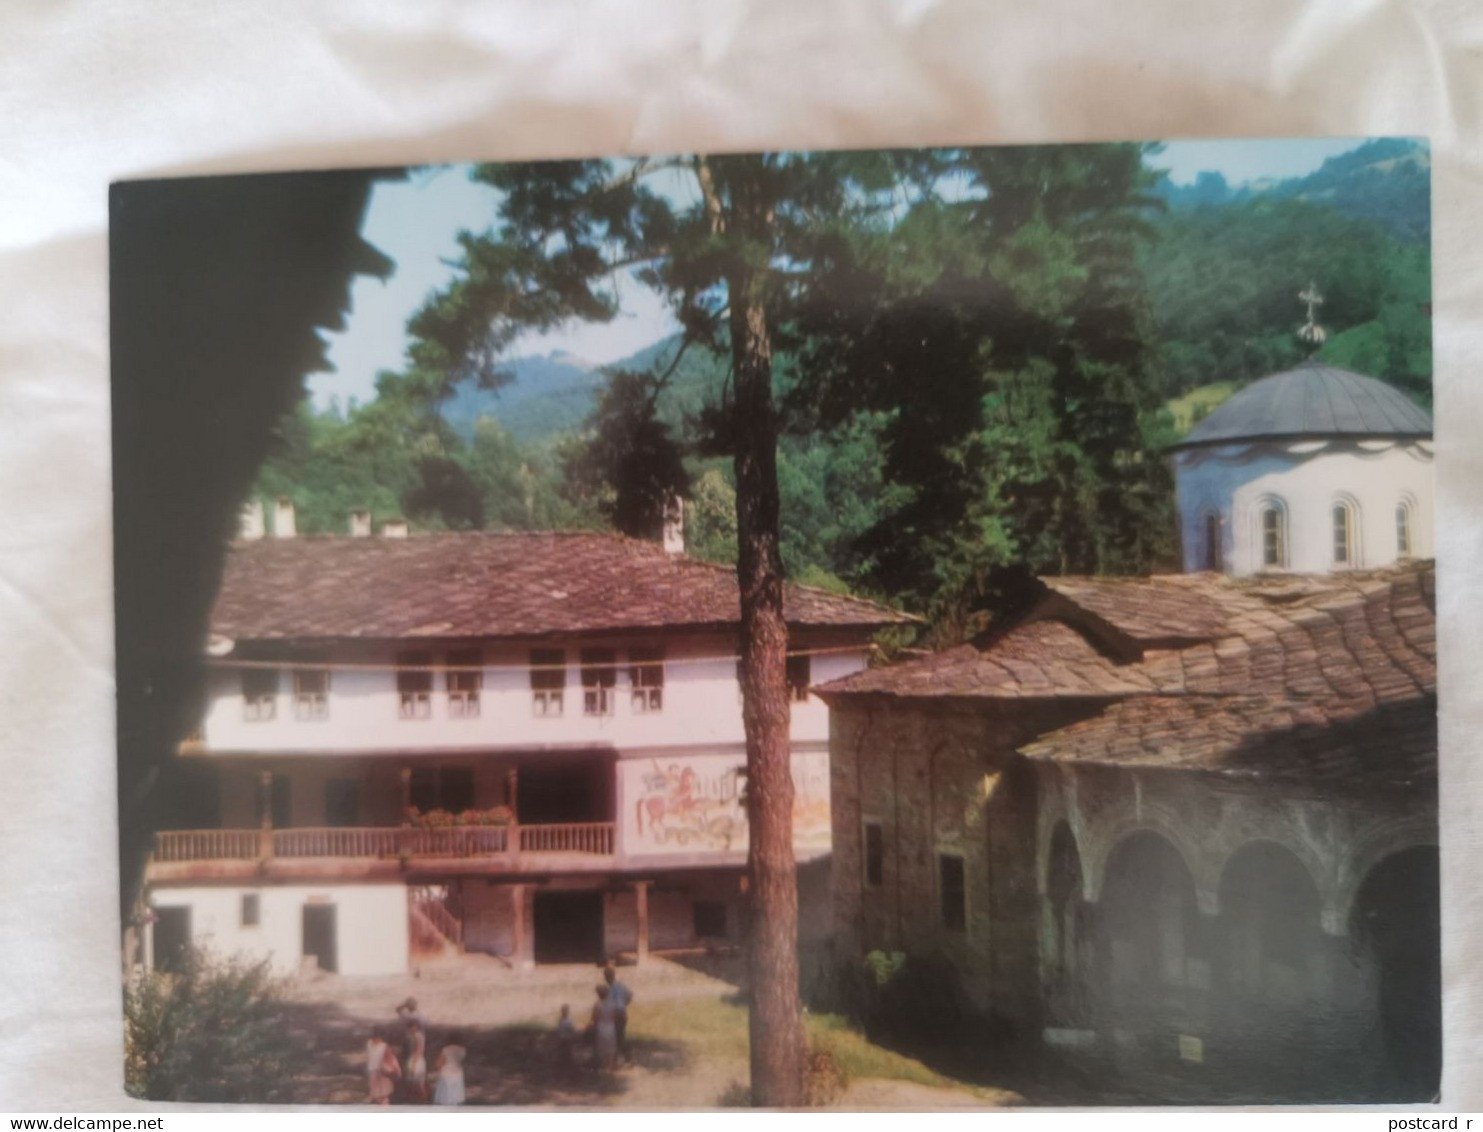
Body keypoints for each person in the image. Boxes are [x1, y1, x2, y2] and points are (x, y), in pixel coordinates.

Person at [603, 965, 634, 1064]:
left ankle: (628, 1057)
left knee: (619, 1038)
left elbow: (609, 1003)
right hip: (621, 1013)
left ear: (607, 977)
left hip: (617, 1014)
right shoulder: (620, 985)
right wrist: (624, 1003)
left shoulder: (609, 989)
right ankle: (616, 1060)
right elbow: (630, 995)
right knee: (617, 1037)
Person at [366, 1027, 401, 1106]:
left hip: (374, 1072)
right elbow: (391, 1059)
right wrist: (396, 1069)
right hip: (381, 1073)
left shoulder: (369, 1044)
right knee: (383, 1096)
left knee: (377, 1094)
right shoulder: (384, 1046)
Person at [431, 1031, 467, 1106]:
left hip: (446, 1074)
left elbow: (438, 1063)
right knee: (456, 1097)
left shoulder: (446, 1049)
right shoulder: (463, 1050)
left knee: (445, 1097)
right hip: (458, 1074)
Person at [590, 984, 620, 1072]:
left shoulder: (597, 1005)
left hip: (601, 1027)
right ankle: (610, 1065)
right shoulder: (613, 1004)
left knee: (600, 1047)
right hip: (611, 1027)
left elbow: (594, 1017)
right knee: (611, 1047)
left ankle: (601, 1066)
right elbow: (615, 1016)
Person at [401, 1019, 428, 1103]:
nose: (409, 1030)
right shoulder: (419, 1035)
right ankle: (419, 1100)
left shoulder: (417, 1036)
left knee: (417, 1082)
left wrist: (413, 1065)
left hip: (415, 1060)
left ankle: (422, 1100)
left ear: (414, 1027)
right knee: (418, 1082)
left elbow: (418, 1050)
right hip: (417, 1059)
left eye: (410, 1028)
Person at [555, 1004, 577, 1076]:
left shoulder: (568, 1021)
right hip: (563, 1040)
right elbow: (559, 1030)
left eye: (564, 1011)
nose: (563, 1012)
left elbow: (572, 1031)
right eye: (563, 1011)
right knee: (563, 1056)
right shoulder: (562, 1020)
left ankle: (568, 1071)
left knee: (567, 1056)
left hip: (566, 1040)